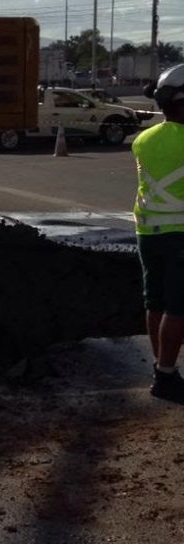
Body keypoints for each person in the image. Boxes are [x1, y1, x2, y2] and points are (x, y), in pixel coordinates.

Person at [132, 63, 184, 402]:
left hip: (148, 232)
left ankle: (161, 366)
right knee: (179, 307)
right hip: (180, 234)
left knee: (157, 301)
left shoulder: (143, 139)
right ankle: (165, 376)